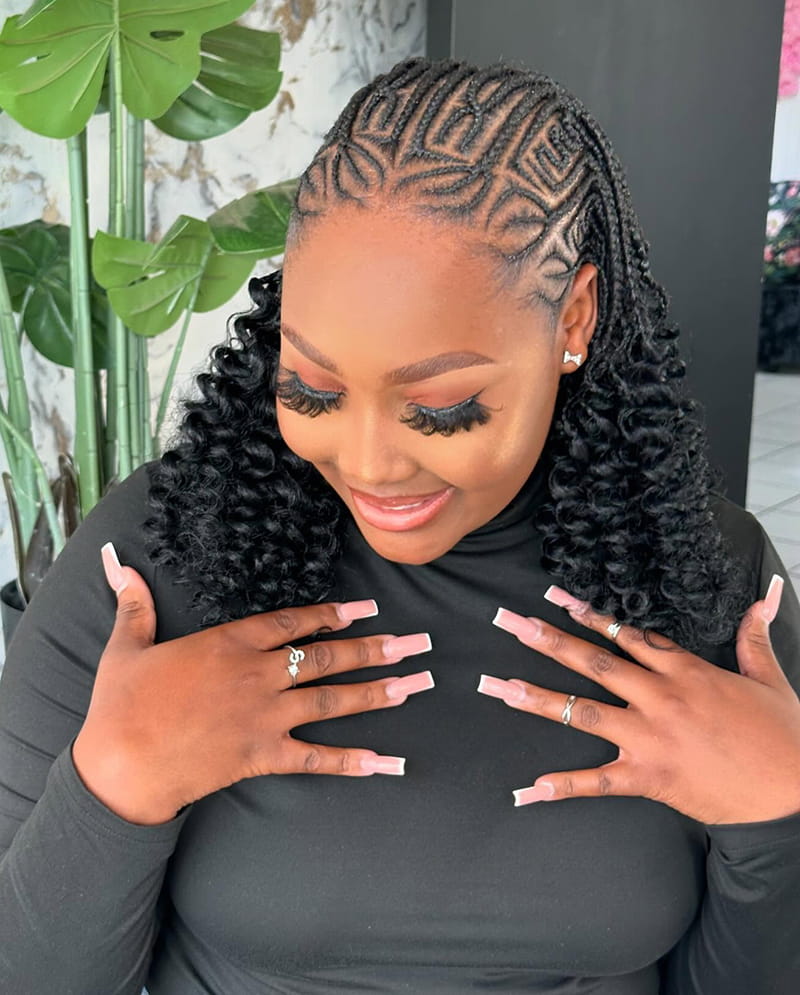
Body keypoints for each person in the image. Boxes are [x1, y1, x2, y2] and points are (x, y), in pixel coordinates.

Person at [1, 56, 799, 995]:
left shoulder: (707, 577)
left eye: (444, 406)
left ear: (572, 318)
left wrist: (776, 817)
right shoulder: (159, 558)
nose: (370, 464)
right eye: (312, 387)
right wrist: (119, 780)